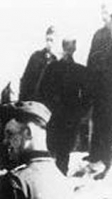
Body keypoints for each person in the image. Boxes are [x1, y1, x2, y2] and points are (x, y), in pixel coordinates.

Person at [39, 37, 91, 175]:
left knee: (63, 152)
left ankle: (59, 178)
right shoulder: (52, 68)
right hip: (55, 115)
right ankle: (52, 177)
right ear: (63, 47)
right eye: (67, 46)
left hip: (68, 116)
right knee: (53, 149)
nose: (69, 49)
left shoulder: (79, 70)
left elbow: (88, 95)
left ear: (74, 48)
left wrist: (80, 112)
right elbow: (42, 91)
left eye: (71, 46)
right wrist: (47, 109)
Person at [87, 13, 112, 176]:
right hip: (103, 91)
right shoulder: (102, 38)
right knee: (100, 124)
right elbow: (93, 62)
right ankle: (97, 159)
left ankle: (108, 161)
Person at [19, 25, 57, 102]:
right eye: (47, 40)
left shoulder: (57, 62)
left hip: (47, 102)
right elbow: (25, 80)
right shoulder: (36, 57)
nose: (49, 43)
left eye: (51, 40)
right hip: (31, 100)